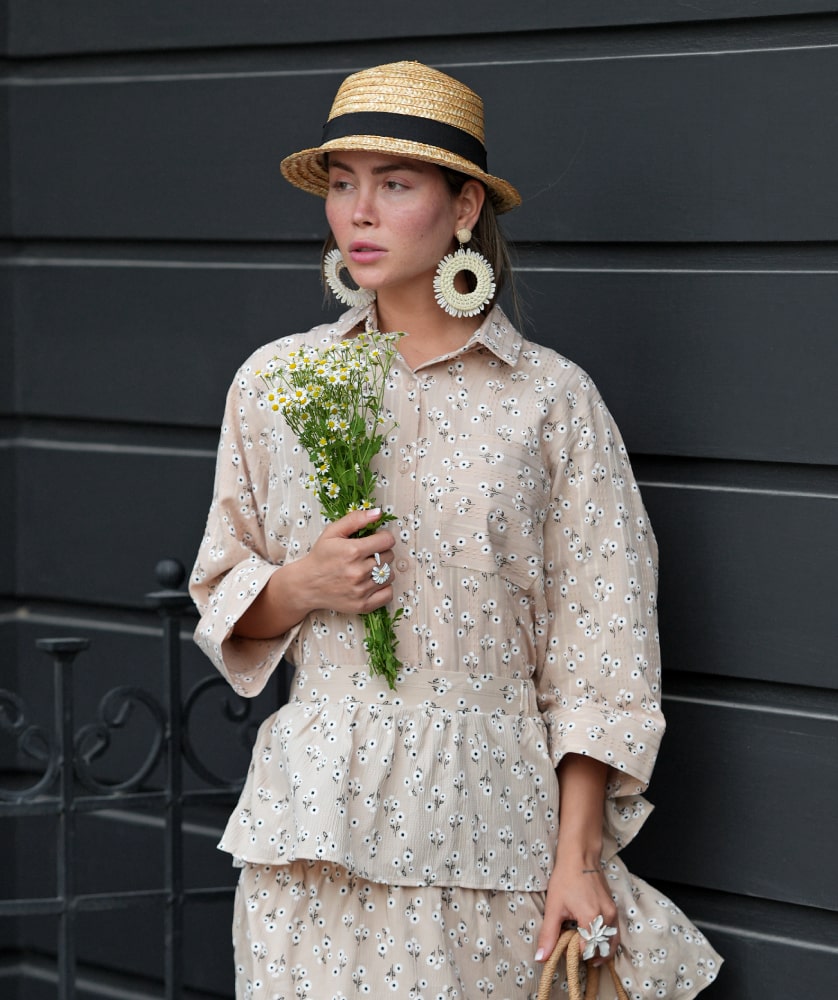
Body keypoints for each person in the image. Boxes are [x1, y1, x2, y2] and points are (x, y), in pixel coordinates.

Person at [190, 60, 722, 1000]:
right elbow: (224, 588)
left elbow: (603, 651)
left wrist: (578, 858)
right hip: (311, 828)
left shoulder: (550, 400)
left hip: (489, 826)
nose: (359, 212)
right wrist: (301, 585)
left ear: (464, 206)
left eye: (394, 185)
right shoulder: (273, 383)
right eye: (343, 184)